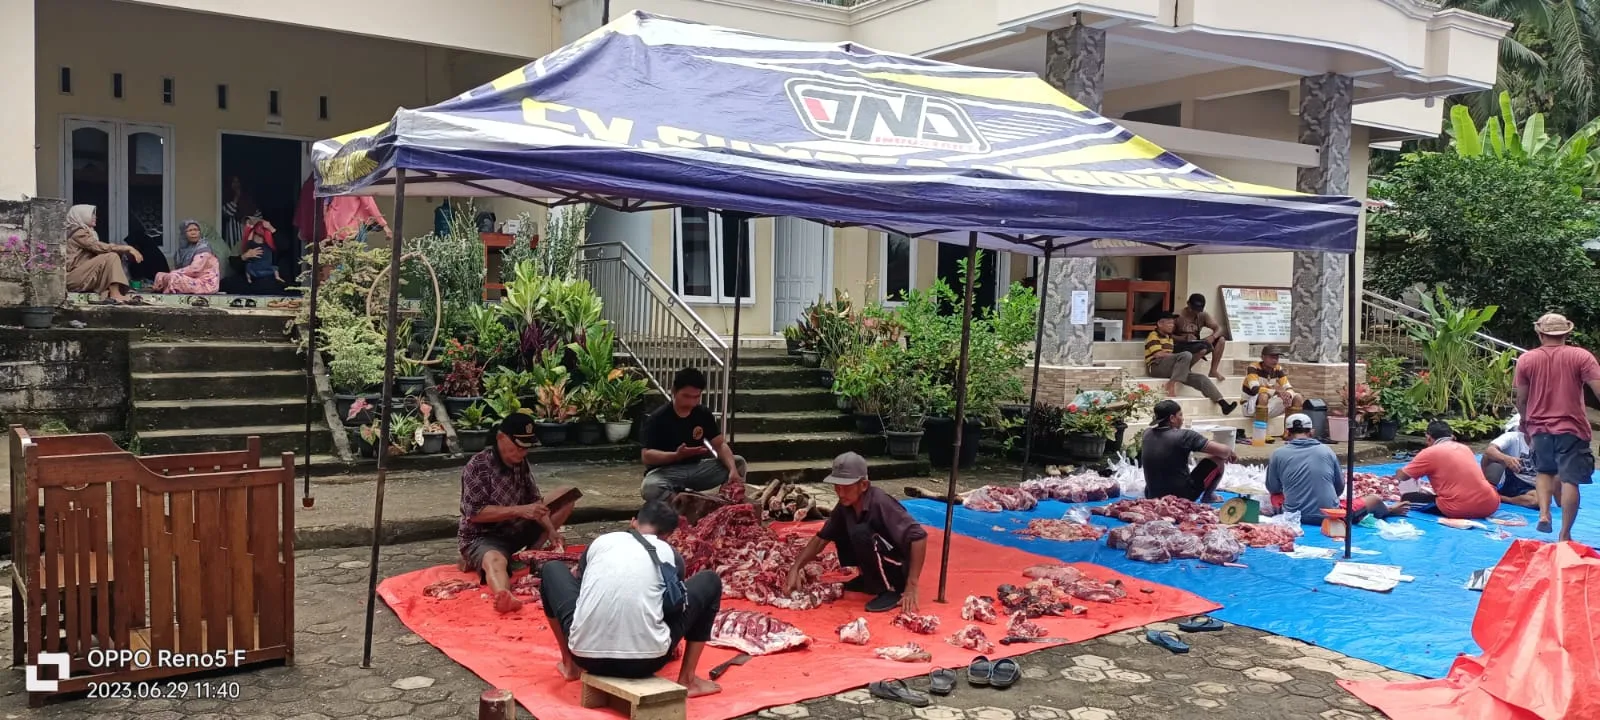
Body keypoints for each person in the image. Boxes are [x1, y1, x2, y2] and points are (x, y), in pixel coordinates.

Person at [539, 502, 723, 698]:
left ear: (633, 522)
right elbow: (674, 605)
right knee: (710, 580)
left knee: (552, 569)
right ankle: (688, 679)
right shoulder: (668, 552)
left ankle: (570, 666)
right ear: (668, 535)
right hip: (647, 661)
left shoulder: (602, 542)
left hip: (585, 656)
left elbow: (583, 591)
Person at [459, 414, 582, 614]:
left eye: (526, 447)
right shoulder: (477, 466)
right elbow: (474, 514)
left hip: (517, 528)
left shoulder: (521, 463)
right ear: (500, 437)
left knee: (567, 494)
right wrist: (520, 510)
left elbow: (536, 504)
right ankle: (504, 595)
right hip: (483, 537)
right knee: (495, 561)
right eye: (518, 446)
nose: (522, 452)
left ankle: (531, 554)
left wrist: (551, 531)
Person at [783, 452, 927, 613]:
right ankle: (868, 579)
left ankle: (889, 590)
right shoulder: (845, 505)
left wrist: (912, 584)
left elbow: (919, 537)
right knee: (842, 529)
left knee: (860, 532)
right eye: (837, 487)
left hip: (898, 567)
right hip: (879, 559)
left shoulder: (880, 502)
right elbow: (821, 539)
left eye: (846, 487)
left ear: (863, 485)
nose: (840, 493)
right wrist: (796, 567)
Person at [1514, 313, 1600, 540]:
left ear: (1540, 333)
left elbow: (1521, 399)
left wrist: (1525, 423)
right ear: (1567, 333)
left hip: (1539, 428)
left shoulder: (1527, 360)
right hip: (1572, 428)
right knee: (1570, 479)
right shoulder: (1582, 356)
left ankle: (1544, 514)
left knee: (1544, 471)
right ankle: (1565, 534)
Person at [640, 367, 747, 503]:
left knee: (738, 462)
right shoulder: (657, 418)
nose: (691, 402)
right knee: (650, 487)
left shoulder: (703, 414)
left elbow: (720, 444)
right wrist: (677, 455)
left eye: (696, 397)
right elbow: (646, 456)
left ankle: (726, 501)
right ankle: (681, 504)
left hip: (697, 470)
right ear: (674, 391)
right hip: (666, 472)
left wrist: (732, 470)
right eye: (686, 396)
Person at [1388, 420, 1501, 520]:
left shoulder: (1430, 452)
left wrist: (1400, 471)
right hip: (1491, 504)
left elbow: (1403, 476)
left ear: (1428, 438)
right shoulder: (1465, 448)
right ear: (1452, 437)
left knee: (1407, 499)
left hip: (1460, 508)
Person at [1140, 400, 1238, 502]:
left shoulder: (1147, 433)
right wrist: (1230, 452)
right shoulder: (1184, 436)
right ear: (1172, 418)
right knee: (1218, 459)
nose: (1182, 419)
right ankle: (1208, 496)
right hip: (1182, 496)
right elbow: (1224, 451)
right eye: (1180, 415)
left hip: (1152, 494)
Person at [1145, 314, 1237, 416]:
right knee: (1186, 355)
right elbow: (1158, 354)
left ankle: (1223, 404)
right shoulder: (1153, 335)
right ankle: (1171, 384)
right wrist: (1178, 356)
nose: (1171, 325)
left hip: (1171, 369)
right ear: (1159, 324)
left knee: (1202, 379)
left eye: (1172, 323)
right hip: (1156, 367)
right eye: (1168, 323)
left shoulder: (1169, 337)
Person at [64, 204, 140, 305]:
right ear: (81, 215)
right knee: (111, 256)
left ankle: (116, 292)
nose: (95, 217)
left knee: (111, 257)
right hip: (74, 277)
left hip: (82, 275)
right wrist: (127, 248)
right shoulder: (78, 233)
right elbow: (98, 247)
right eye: (91, 214)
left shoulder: (90, 232)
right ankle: (115, 293)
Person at [1241, 346, 1305, 436]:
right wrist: (1276, 392)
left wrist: (1288, 394)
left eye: (1276, 357)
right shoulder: (1253, 367)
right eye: (1272, 357)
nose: (1275, 360)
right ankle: (1261, 433)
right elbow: (1255, 389)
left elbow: (1288, 387)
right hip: (1249, 406)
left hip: (1268, 404)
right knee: (1264, 395)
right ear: (1263, 357)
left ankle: (1289, 433)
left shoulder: (1278, 369)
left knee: (1297, 397)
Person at [1480, 416, 1540, 509]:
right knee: (1489, 456)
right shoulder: (1513, 437)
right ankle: (1486, 485)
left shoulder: (1548, 442)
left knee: (1538, 501)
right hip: (1514, 479)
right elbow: (1490, 450)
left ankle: (1501, 498)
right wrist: (1506, 459)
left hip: (1536, 485)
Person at [153, 220, 220, 295]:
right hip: (191, 279)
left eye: (196, 230)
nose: (193, 233)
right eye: (190, 230)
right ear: (184, 234)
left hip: (205, 283)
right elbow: (178, 268)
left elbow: (195, 269)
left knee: (173, 277)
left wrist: (174, 273)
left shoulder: (203, 248)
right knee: (160, 275)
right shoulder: (183, 250)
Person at [1174, 293, 1229, 381]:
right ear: (1188, 304)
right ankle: (1185, 369)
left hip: (1196, 343)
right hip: (1180, 344)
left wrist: (1213, 337)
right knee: (1202, 349)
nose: (1196, 312)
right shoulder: (1177, 315)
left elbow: (1219, 328)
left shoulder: (1203, 315)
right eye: (1193, 309)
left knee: (1221, 340)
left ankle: (1213, 371)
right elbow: (1168, 336)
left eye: (1198, 310)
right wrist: (1183, 338)